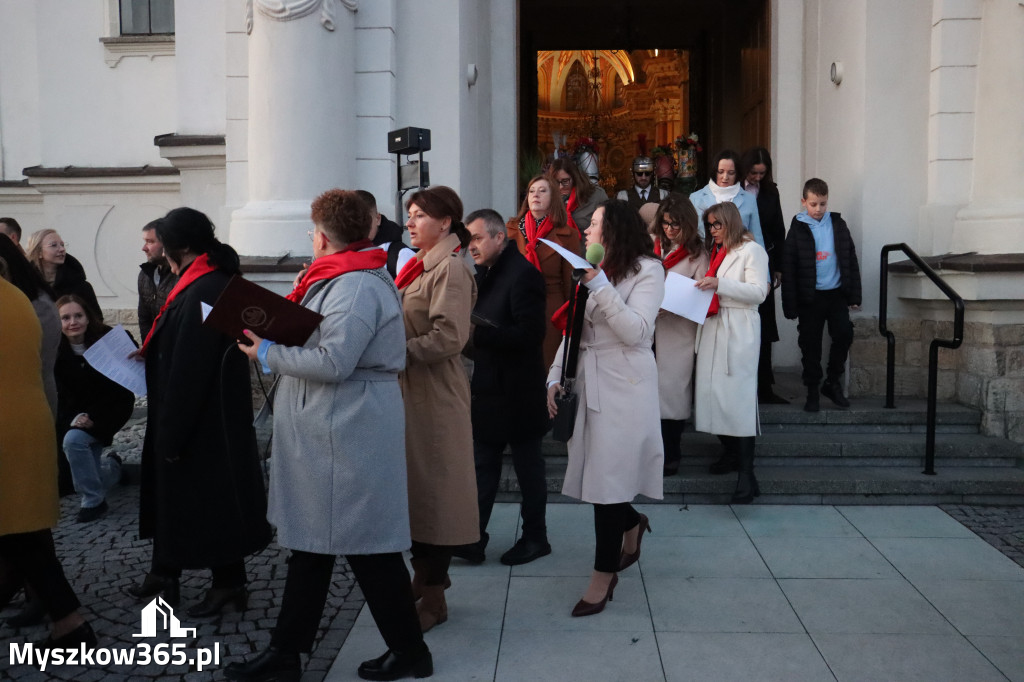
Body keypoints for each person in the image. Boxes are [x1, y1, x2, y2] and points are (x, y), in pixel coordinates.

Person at [227, 190, 430, 682]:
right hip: (334, 429)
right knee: (317, 546)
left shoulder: (356, 285)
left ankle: (405, 652)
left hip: (346, 429)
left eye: (312, 232)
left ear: (322, 235)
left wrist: (268, 353)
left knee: (365, 549)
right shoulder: (339, 277)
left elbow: (336, 361)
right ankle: (288, 654)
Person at [129, 207, 271, 615]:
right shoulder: (198, 282)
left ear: (181, 246)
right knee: (189, 498)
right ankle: (165, 574)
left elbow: (191, 368)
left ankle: (228, 583)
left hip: (204, 420)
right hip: (207, 416)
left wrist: (172, 432)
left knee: (210, 501)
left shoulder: (204, 288)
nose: (151, 249)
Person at [546, 200, 664, 617]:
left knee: (608, 481)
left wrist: (599, 285)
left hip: (625, 385)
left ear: (613, 230)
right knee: (601, 478)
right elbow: (575, 329)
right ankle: (631, 524)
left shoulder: (648, 270)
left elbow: (637, 332)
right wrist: (555, 376)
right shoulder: (589, 271)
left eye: (594, 224)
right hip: (589, 379)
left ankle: (602, 576)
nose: (587, 231)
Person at [397, 186, 480, 632]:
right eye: (408, 215)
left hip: (435, 398)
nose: (410, 222)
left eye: (418, 215)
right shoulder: (418, 266)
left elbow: (450, 337)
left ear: (445, 222)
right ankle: (422, 579)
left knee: (435, 502)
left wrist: (395, 350)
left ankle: (434, 598)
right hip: (413, 393)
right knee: (418, 497)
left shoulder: (450, 268)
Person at [0, 277, 96, 650]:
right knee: (20, 536)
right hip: (26, 422)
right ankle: (69, 622)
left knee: (19, 537)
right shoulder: (15, 296)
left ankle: (70, 622)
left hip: (7, 428)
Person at [455, 208, 551, 566]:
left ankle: (536, 538)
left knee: (529, 471)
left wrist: (481, 336)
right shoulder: (483, 273)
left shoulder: (523, 274)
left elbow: (531, 334)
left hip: (519, 391)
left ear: (499, 237)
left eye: (477, 238)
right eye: (469, 239)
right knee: (482, 467)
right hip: (489, 389)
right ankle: (473, 539)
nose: (471, 246)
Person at [694, 202, 770, 503]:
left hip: (738, 328)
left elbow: (759, 292)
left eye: (717, 224)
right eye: (710, 225)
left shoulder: (752, 250)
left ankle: (746, 474)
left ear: (730, 222)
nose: (713, 230)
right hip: (716, 326)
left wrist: (719, 284)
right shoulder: (718, 251)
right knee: (713, 396)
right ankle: (729, 454)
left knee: (737, 401)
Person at [781, 178, 862, 412]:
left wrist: (854, 295)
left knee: (844, 334)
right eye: (814, 204)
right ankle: (812, 390)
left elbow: (850, 258)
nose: (818, 209)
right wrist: (790, 304)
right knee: (810, 344)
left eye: (823, 204)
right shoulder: (797, 228)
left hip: (836, 294)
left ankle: (832, 381)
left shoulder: (837, 224)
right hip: (810, 297)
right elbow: (789, 266)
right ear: (804, 202)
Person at [54, 296, 135, 523]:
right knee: (85, 465)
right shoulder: (54, 351)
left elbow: (119, 392)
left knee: (74, 442)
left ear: (88, 317)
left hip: (110, 410)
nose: (73, 322)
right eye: (66, 318)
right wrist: (76, 417)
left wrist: (95, 420)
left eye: (78, 315)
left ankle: (93, 502)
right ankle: (113, 469)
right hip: (75, 416)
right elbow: (58, 395)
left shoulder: (108, 342)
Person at [652, 196, 709, 476]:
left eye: (676, 224)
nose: (670, 229)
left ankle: (671, 453)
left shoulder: (698, 254)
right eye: (665, 223)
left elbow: (703, 293)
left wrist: (671, 305)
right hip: (648, 330)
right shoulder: (652, 246)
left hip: (678, 330)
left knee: (673, 394)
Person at [507, 174, 581, 365]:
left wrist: (570, 319)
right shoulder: (511, 230)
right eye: (531, 191)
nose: (535, 195)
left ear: (553, 197)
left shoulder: (567, 234)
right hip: (515, 305)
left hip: (549, 307)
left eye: (542, 191)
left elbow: (570, 281)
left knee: (546, 364)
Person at [741, 146, 789, 405]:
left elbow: (778, 229)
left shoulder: (771, 192)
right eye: (753, 173)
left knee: (765, 325)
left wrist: (778, 267)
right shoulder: (735, 190)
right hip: (737, 265)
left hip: (764, 262)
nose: (757, 178)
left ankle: (765, 387)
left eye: (762, 173)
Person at [688, 149, 764, 249]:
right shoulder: (695, 198)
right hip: (705, 258)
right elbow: (690, 236)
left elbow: (757, 237)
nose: (725, 177)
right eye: (720, 172)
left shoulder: (749, 199)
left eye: (731, 173)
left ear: (737, 174)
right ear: (714, 172)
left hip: (738, 259)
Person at [26, 229, 103, 320]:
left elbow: (97, 320)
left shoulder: (81, 286)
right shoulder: (27, 285)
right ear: (39, 252)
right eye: (54, 245)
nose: (62, 249)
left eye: (62, 245)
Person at [138, 218, 178, 341]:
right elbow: (144, 317)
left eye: (150, 242)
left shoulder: (181, 275)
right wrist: (148, 348)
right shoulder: (145, 274)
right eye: (145, 242)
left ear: (166, 244)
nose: (144, 248)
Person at [550, 157, 608, 235]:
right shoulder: (550, 198)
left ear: (575, 178)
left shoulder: (596, 195)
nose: (561, 186)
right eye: (556, 182)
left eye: (565, 181)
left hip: (588, 245)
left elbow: (609, 227)